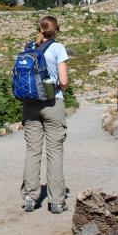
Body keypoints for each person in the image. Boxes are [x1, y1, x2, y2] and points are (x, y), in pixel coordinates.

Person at [21, 15, 69, 214]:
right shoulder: (58, 48)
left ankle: (30, 197)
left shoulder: (29, 47)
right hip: (52, 102)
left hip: (30, 104)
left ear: (40, 29)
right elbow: (64, 82)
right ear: (56, 29)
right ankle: (56, 201)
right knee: (54, 152)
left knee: (33, 151)